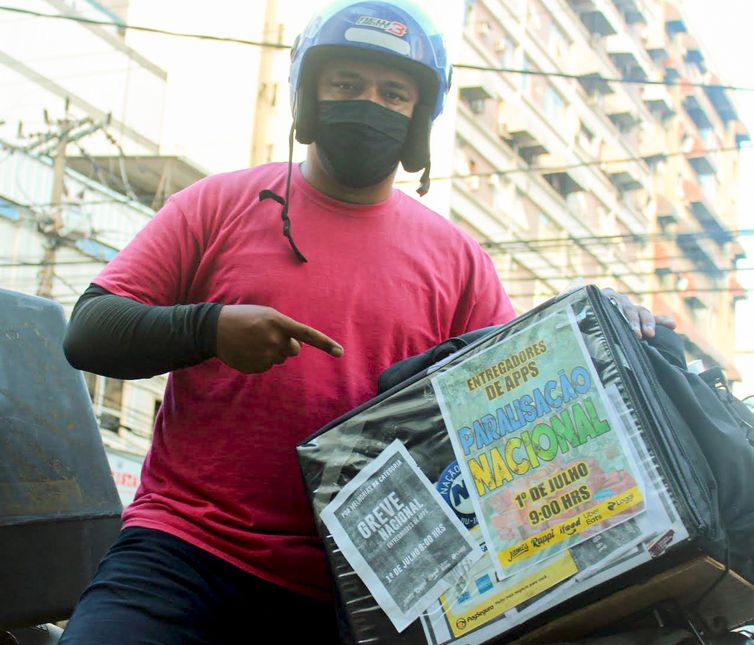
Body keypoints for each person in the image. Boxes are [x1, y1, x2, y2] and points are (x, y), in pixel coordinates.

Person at [60, 1, 673, 642]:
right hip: (184, 552)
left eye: (393, 93)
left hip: (367, 589)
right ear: (309, 98)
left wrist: (605, 327)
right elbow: (90, 331)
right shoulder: (218, 204)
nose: (368, 104)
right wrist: (209, 329)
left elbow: (514, 399)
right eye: (345, 85)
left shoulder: (459, 263)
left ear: (417, 121)